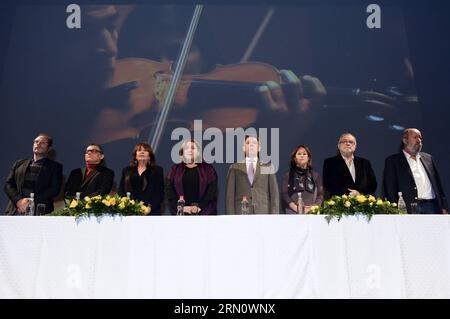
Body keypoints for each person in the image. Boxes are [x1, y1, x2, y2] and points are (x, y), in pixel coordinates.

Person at [383, 128, 448, 214]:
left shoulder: (428, 158)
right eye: (415, 137)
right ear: (405, 141)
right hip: (410, 208)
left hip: (433, 206)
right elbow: (390, 189)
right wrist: (395, 210)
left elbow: (438, 184)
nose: (419, 140)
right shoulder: (393, 161)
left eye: (420, 138)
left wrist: (444, 206)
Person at [4, 134, 63, 215]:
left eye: (43, 143)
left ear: (49, 148)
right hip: (16, 210)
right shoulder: (19, 163)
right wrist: (19, 201)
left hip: (40, 211)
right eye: (36, 142)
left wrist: (31, 202)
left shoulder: (55, 167)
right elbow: (8, 185)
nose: (38, 144)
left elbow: (54, 189)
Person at [225, 135, 279, 214]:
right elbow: (230, 197)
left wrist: (274, 216)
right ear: (243, 148)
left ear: (259, 148)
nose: (251, 145)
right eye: (248, 143)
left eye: (254, 142)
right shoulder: (234, 168)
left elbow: (274, 195)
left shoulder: (268, 167)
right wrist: (230, 218)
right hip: (241, 214)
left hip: (263, 213)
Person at [165, 139, 218, 215]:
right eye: (186, 148)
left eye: (193, 148)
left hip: (203, 213)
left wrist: (200, 207)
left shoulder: (208, 169)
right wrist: (181, 207)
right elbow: (169, 191)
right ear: (182, 152)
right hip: (181, 213)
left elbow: (212, 191)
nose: (190, 150)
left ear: (198, 152)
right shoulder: (174, 169)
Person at [322, 132, 377, 198]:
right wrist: (348, 194)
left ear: (355, 146)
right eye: (344, 141)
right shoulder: (330, 162)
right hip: (339, 204)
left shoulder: (365, 163)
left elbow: (373, 184)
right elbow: (328, 183)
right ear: (338, 146)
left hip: (363, 204)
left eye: (351, 142)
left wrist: (360, 194)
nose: (348, 143)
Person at [118, 142, 164, 215]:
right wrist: (127, 205)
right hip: (130, 210)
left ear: (149, 156)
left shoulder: (157, 170)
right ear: (135, 156)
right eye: (139, 150)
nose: (142, 152)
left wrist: (149, 207)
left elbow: (159, 192)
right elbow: (121, 190)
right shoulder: (126, 170)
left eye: (145, 150)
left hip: (151, 211)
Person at [282, 145, 323, 214]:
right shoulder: (288, 175)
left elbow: (320, 195)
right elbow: (285, 195)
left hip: (312, 212)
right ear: (294, 158)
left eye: (304, 154)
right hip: (292, 212)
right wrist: (297, 208)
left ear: (308, 158)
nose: (302, 156)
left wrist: (312, 208)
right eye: (299, 154)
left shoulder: (316, 176)